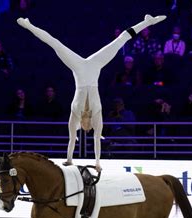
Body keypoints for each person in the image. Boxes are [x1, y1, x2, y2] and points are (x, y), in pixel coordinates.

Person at [17, 14, 167, 171]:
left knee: (55, 43)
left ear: (81, 126)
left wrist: (69, 160)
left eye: (85, 127)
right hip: (95, 65)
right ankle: (147, 22)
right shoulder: (97, 114)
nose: (87, 126)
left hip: (78, 67)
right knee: (120, 40)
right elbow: (97, 139)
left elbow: (72, 140)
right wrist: (97, 163)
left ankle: (29, 26)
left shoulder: (75, 116)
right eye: (89, 127)